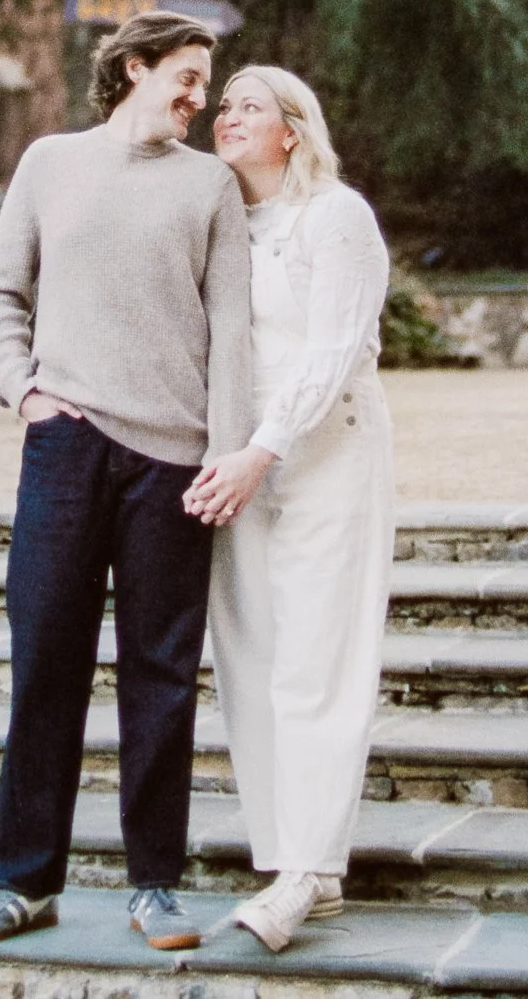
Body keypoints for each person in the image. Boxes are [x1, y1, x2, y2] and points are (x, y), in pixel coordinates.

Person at [0, 9, 253, 954]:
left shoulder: (210, 186)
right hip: (66, 449)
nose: (200, 98)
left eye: (207, 82)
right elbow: (2, 291)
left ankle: (154, 886)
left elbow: (232, 330)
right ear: (133, 68)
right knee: (45, 660)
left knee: (160, 679)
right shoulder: (49, 163)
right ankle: (21, 883)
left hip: (173, 464)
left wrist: (225, 451)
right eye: (188, 77)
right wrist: (23, 390)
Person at [183, 65, 394, 954]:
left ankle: (303, 875)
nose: (226, 116)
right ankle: (294, 860)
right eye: (222, 104)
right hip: (236, 462)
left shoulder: (335, 216)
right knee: (251, 660)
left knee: (317, 662)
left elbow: (333, 352)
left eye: (250, 106)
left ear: (293, 130)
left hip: (322, 453)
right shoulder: (221, 226)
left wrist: (261, 449)